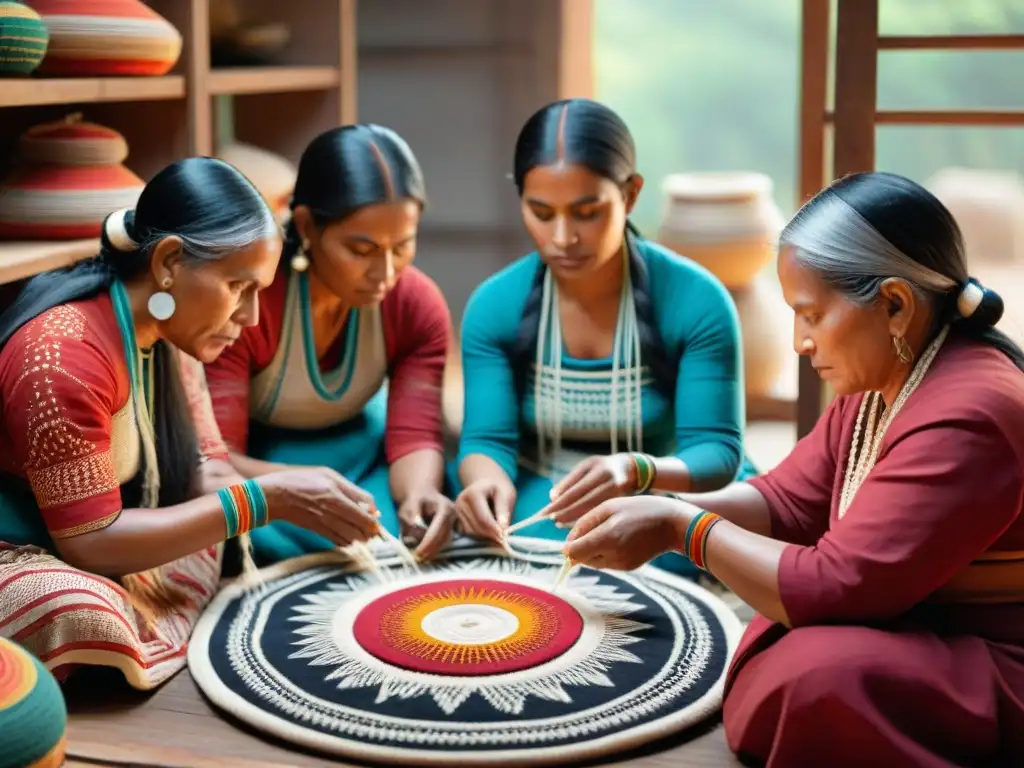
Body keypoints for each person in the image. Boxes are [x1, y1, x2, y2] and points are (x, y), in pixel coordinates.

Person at [561, 171, 1024, 767]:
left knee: (810, 680)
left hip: (995, 653)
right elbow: (787, 503)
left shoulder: (972, 415)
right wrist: (656, 508)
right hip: (917, 623)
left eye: (811, 315)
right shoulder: (889, 376)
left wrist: (680, 529)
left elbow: (834, 586)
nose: (801, 342)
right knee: (781, 649)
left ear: (894, 305)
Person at [0, 157, 381, 689]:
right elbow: (90, 543)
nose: (249, 317)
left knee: (213, 532)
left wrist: (299, 491)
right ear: (170, 261)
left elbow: (206, 466)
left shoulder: (170, 330)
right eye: (238, 287)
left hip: (100, 534)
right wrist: (266, 500)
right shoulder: (59, 355)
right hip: (24, 549)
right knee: (81, 611)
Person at [453, 98, 756, 577]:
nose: (563, 236)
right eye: (540, 211)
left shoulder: (697, 299)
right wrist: (485, 482)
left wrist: (635, 470)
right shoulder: (495, 306)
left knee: (668, 566)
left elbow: (717, 451)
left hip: (670, 494)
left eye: (587, 212)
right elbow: (486, 440)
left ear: (631, 195)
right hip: (546, 493)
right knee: (508, 564)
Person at [204, 124, 454, 565]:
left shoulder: (415, 304)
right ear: (306, 225)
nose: (385, 272)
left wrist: (420, 496)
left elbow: (414, 436)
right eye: (361, 249)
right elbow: (215, 459)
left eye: (403, 246)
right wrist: (293, 490)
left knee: (395, 526)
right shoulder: (250, 303)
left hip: (361, 455)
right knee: (237, 533)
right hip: (262, 465)